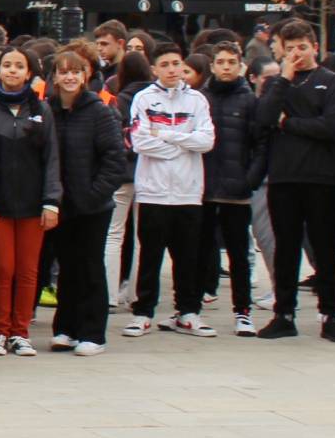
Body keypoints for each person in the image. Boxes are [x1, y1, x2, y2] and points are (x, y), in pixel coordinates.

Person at [250, 18, 335, 343]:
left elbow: (331, 126)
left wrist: (289, 123)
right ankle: (284, 313)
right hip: (284, 177)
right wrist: (283, 80)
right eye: (290, 48)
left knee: (324, 248)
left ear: (315, 47)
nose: (296, 54)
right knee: (286, 249)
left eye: (302, 48)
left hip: (322, 177)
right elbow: (264, 119)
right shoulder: (276, 84)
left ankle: (330, 314)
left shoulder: (331, 81)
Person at [123, 44, 217, 338]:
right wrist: (182, 143)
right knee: (150, 254)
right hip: (153, 190)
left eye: (177, 63)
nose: (173, 69)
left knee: (187, 254)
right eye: (165, 64)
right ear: (154, 69)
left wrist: (164, 134)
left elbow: (206, 140)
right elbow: (139, 142)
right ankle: (144, 311)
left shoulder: (197, 100)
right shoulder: (143, 98)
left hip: (189, 190)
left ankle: (188, 311)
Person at [0, 44, 60, 357]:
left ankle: (20, 331)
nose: (12, 70)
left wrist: (52, 201)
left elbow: (52, 158)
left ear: (28, 73)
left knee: (27, 270)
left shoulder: (41, 110)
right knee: (2, 268)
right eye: (7, 65)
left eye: (19, 66)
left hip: (33, 204)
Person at [45, 50, 126, 356]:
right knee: (66, 267)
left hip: (93, 206)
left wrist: (95, 193)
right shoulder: (48, 109)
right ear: (54, 76)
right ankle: (66, 327)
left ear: (85, 76)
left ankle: (93, 332)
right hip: (59, 204)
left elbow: (115, 160)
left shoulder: (99, 111)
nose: (69, 77)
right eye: (63, 71)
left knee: (90, 266)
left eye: (75, 72)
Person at [198, 40, 260, 335]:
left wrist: (250, 180)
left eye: (231, 63)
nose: (225, 67)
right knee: (199, 250)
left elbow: (260, 143)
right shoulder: (200, 98)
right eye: (220, 62)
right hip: (204, 187)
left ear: (240, 66)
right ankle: (190, 306)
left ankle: (243, 311)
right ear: (212, 65)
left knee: (238, 254)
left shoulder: (249, 100)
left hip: (237, 189)